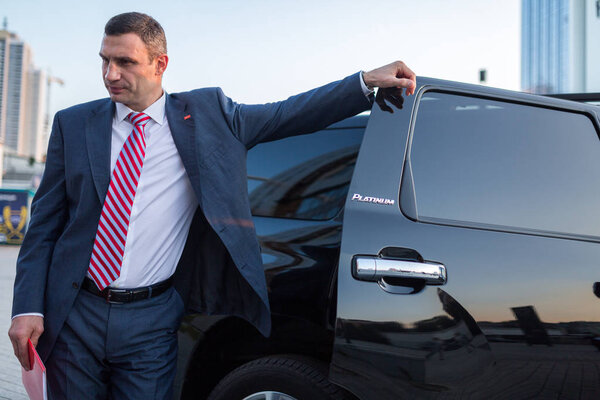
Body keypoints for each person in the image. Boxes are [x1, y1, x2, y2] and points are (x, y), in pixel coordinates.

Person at [8, 11, 416, 399]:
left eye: (125, 62)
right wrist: (26, 308)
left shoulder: (208, 116)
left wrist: (363, 83)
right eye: (105, 61)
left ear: (159, 64)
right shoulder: (73, 124)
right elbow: (44, 226)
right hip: (78, 311)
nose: (110, 74)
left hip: (152, 320)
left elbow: (289, 114)